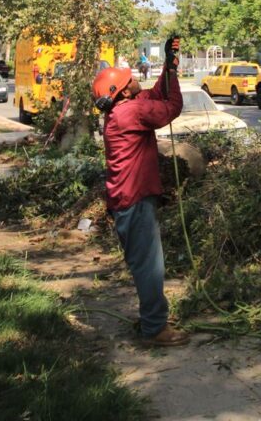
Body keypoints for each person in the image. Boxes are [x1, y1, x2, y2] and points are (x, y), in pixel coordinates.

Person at [92, 37, 189, 347]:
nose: (133, 78)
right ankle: (154, 329)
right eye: (128, 79)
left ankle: (151, 318)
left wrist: (169, 63)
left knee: (144, 262)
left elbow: (157, 93)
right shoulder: (129, 114)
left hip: (128, 199)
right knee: (150, 265)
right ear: (120, 92)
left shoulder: (123, 109)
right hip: (134, 200)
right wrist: (172, 71)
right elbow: (171, 106)